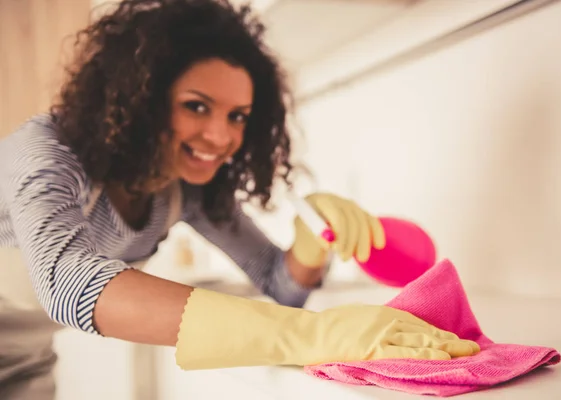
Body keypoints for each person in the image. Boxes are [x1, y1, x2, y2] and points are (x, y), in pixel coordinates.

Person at [0, 0, 479, 398]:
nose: (220, 135)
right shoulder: (48, 152)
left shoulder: (181, 188)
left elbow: (279, 283)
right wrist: (307, 336)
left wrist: (312, 242)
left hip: (26, 365)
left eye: (238, 116)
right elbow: (63, 282)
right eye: (197, 106)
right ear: (140, 97)